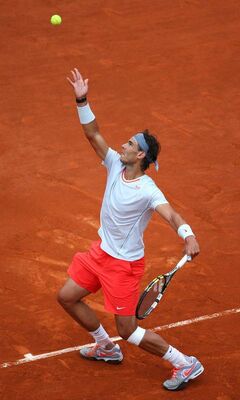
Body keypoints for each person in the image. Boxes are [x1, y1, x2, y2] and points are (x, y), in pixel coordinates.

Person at [57, 68, 204, 391]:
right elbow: (92, 134)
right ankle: (105, 347)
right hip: (100, 254)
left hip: (123, 266)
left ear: (140, 155)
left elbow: (172, 215)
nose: (122, 144)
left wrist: (188, 234)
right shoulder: (114, 164)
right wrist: (82, 99)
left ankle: (184, 362)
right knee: (67, 297)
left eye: (130, 143)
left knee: (129, 330)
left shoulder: (148, 189)